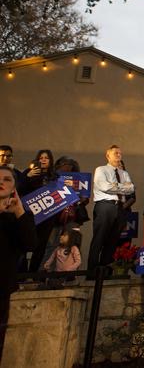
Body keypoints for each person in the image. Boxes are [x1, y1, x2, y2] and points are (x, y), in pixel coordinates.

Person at [0, 165, 37, 359]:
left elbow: (30, 244)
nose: (1, 182)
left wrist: (19, 211)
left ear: (14, 187)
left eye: (7, 179)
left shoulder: (19, 217)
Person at [87, 145, 135, 277]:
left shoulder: (124, 173)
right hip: (105, 205)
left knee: (113, 241)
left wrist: (115, 186)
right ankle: (91, 273)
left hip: (120, 207)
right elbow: (104, 187)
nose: (119, 155)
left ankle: (104, 272)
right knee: (99, 239)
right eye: (115, 153)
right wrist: (122, 187)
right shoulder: (101, 170)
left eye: (120, 153)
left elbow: (131, 189)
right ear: (108, 155)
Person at [24, 149, 57, 273]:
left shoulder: (54, 175)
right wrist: (27, 176)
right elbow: (20, 188)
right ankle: (21, 273)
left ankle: (32, 274)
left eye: (46, 158)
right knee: (27, 242)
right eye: (41, 157)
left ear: (50, 161)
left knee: (41, 245)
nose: (43, 160)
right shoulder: (29, 172)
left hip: (48, 216)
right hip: (31, 215)